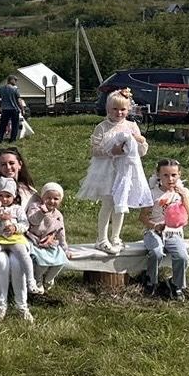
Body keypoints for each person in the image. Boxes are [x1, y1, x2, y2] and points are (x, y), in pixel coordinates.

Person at [78, 89, 151, 254]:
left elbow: (141, 151)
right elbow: (94, 150)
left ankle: (116, 236)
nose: (119, 113)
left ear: (128, 110)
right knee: (108, 204)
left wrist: (141, 141)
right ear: (108, 109)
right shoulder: (102, 127)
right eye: (115, 109)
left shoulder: (132, 126)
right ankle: (102, 239)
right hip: (107, 171)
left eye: (123, 109)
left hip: (125, 172)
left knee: (121, 203)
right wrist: (112, 152)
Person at [0, 178, 36, 319]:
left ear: (14, 197)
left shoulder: (17, 209)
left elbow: (25, 224)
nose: (4, 199)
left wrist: (15, 227)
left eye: (8, 196)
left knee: (22, 256)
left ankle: (30, 284)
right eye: (1, 195)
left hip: (15, 238)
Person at [143, 159, 189, 300]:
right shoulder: (153, 193)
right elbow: (143, 217)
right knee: (156, 252)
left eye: (173, 175)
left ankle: (176, 284)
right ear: (158, 175)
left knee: (182, 256)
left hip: (174, 233)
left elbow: (188, 215)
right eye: (165, 175)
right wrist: (154, 226)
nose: (170, 179)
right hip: (154, 232)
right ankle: (151, 280)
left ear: (179, 175)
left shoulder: (182, 193)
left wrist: (183, 197)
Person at [27, 182, 71, 294]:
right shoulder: (36, 207)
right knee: (42, 263)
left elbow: (61, 232)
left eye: (56, 199)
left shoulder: (58, 215)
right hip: (35, 240)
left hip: (50, 242)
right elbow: (32, 220)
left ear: (60, 200)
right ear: (42, 197)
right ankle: (38, 278)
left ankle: (49, 279)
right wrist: (41, 212)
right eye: (48, 198)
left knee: (61, 261)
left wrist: (65, 248)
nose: (52, 201)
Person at [0, 147, 38, 215]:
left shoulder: (29, 191)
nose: (8, 167)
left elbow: (34, 219)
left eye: (11, 163)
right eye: (3, 164)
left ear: (20, 165)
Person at [0, 75, 24, 142]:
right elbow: (19, 100)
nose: (16, 82)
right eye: (15, 80)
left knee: (2, 125)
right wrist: (22, 109)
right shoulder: (15, 89)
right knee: (15, 125)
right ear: (11, 80)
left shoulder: (1, 88)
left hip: (5, 109)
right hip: (14, 109)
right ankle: (12, 139)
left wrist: (0, 103)